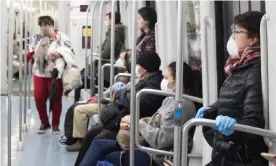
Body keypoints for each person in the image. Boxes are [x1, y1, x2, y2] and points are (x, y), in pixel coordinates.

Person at [80, 62, 198, 166]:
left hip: (157, 156)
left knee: (105, 157)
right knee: (98, 144)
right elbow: (154, 122)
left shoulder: (180, 108)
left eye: (166, 77)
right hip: (146, 145)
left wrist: (138, 124)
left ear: (176, 81)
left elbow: (163, 140)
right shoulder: (170, 99)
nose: (163, 81)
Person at [195, 11, 268, 165]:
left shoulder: (255, 71)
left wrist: (234, 127)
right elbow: (235, 99)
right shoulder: (239, 67)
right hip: (229, 152)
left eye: (237, 32)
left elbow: (254, 120)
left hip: (243, 157)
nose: (232, 37)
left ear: (254, 38)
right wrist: (212, 109)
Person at [74, 51, 165, 165]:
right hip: (124, 119)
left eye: (138, 65)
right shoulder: (144, 79)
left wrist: (121, 93)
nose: (136, 68)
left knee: (98, 139)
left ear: (144, 68)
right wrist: (123, 94)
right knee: (91, 133)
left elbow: (134, 101)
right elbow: (128, 95)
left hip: (132, 126)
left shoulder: (153, 85)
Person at [26, 16, 75, 134]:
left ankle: (55, 124)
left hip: (55, 74)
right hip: (40, 73)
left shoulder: (61, 37)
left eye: (46, 25)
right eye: (41, 25)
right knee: (38, 98)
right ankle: (44, 122)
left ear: (52, 25)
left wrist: (58, 54)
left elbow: (70, 51)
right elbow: (30, 52)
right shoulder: (36, 38)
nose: (43, 27)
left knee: (56, 100)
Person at [74, 12, 126, 102]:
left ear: (112, 20)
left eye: (107, 19)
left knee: (79, 81)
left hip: (105, 70)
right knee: (81, 76)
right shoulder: (115, 32)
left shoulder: (113, 33)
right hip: (105, 68)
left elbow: (105, 53)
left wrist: (99, 52)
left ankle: (78, 105)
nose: (105, 21)